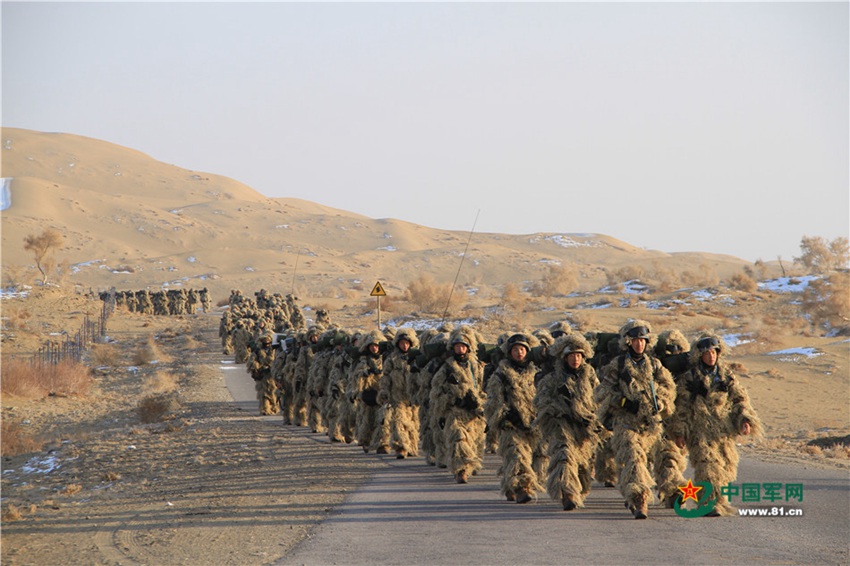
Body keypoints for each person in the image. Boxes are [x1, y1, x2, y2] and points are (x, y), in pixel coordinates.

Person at [669, 333, 762, 516]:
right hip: (699, 432)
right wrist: (679, 432)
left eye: (714, 352)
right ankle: (708, 504)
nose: (711, 356)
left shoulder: (726, 376)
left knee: (726, 469)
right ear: (699, 356)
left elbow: (739, 400)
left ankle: (720, 502)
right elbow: (682, 408)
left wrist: (745, 421)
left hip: (723, 433)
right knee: (707, 468)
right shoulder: (690, 379)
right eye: (707, 353)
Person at [595, 319, 676, 519]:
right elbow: (601, 391)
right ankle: (640, 499)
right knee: (633, 458)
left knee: (649, 461)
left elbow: (669, 389)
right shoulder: (618, 365)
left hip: (650, 424)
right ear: (628, 342)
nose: (639, 344)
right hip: (625, 421)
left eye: (643, 340)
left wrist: (663, 404)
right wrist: (622, 402)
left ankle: (633, 494)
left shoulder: (655, 366)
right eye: (635, 340)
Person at [534, 333, 601, 511]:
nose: (575, 359)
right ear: (564, 357)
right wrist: (562, 410)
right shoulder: (552, 379)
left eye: (579, 355)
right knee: (564, 455)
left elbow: (600, 398)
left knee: (583, 468)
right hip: (561, 425)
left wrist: (591, 417)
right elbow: (542, 401)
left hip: (584, 427)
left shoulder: (590, 376)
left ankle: (577, 489)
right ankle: (567, 492)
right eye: (571, 356)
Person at [485, 332, 542, 503]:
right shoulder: (500, 375)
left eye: (522, 349)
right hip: (510, 424)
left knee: (534, 457)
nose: (519, 353)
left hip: (533, 423)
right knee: (517, 456)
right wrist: (505, 416)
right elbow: (493, 401)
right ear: (509, 352)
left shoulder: (536, 372)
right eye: (515, 349)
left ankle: (509, 484)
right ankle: (522, 488)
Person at [430, 325, 486, 483]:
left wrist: (480, 405)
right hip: (454, 411)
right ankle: (460, 470)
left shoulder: (476, 367)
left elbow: (484, 388)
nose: (460, 349)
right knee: (458, 439)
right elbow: (436, 392)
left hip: (473, 413)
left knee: (473, 442)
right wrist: (452, 401)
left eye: (463, 346)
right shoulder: (446, 369)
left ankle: (468, 466)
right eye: (457, 346)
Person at [377, 327, 421, 459]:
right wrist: (384, 392)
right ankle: (400, 447)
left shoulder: (416, 358)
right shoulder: (392, 358)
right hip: (397, 396)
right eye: (402, 343)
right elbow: (386, 376)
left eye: (407, 343)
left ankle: (412, 446)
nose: (405, 345)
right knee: (398, 421)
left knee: (413, 422)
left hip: (412, 396)